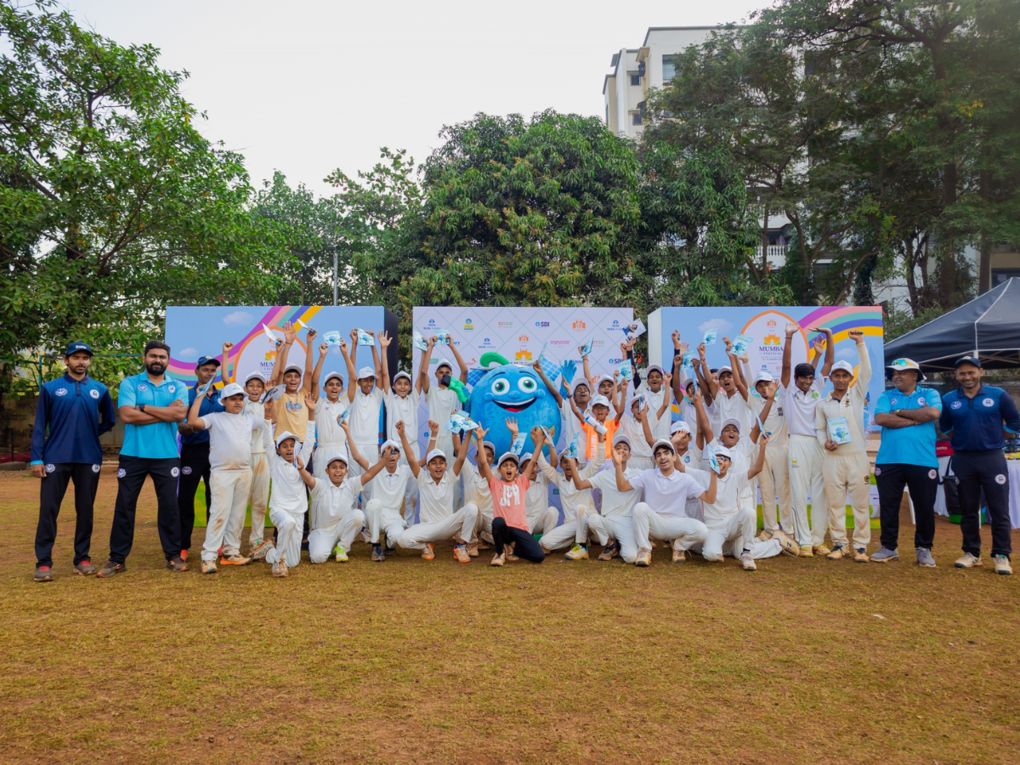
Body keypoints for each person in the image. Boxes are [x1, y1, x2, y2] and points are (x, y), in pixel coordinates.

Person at [98, 340, 189, 577]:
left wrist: (145, 408)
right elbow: (128, 416)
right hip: (133, 455)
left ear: (168, 361)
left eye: (162, 357)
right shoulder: (130, 382)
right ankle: (117, 559)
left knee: (169, 507)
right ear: (144, 358)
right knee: (125, 507)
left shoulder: (178, 386)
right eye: (153, 356)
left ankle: (173, 556)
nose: (157, 360)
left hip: (167, 455)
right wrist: (165, 412)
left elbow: (180, 414)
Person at [30, 342, 116, 582]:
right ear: (66, 360)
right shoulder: (50, 388)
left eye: (85, 358)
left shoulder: (100, 389)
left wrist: (87, 433)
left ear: (89, 361)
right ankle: (44, 562)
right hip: (55, 457)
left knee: (85, 510)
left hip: (89, 458)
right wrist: (37, 457)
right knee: (49, 510)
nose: (81, 362)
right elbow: (39, 426)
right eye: (76, 357)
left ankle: (82, 559)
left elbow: (109, 420)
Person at [939, 356, 1020, 575]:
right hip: (963, 459)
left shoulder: (998, 395)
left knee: (999, 508)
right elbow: (945, 425)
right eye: (962, 373)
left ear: (980, 372)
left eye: (971, 372)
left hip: (992, 458)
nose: (967, 377)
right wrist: (963, 440)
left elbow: (1014, 421)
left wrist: (997, 437)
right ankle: (972, 553)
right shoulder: (948, 399)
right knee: (968, 509)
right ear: (957, 376)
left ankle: (1001, 555)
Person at [183, 382, 265, 573]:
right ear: (224, 401)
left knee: (238, 515)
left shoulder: (248, 419)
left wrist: (269, 398)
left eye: (240, 399)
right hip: (222, 473)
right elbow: (192, 422)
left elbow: (271, 418)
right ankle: (208, 557)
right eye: (233, 399)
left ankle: (231, 553)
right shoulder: (215, 418)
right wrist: (200, 397)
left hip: (244, 472)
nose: (238, 402)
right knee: (219, 514)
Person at [871, 358, 943, 567]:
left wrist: (900, 412)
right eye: (893, 372)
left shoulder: (929, 393)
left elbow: (933, 413)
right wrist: (915, 420)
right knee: (889, 506)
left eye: (901, 372)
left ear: (915, 376)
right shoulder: (886, 395)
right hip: (889, 460)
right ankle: (889, 547)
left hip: (922, 460)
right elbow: (882, 419)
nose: (895, 376)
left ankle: (923, 549)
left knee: (924, 507)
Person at [814, 330, 872, 561]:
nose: (840, 379)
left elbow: (866, 372)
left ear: (850, 379)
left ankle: (860, 546)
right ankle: (839, 544)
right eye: (836, 375)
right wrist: (824, 443)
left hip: (857, 457)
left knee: (860, 505)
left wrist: (860, 344)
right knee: (835, 505)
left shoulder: (857, 395)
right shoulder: (823, 403)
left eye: (844, 375)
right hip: (833, 460)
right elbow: (819, 429)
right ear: (831, 378)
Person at [782, 323, 835, 556]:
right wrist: (788, 337)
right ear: (795, 378)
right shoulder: (786, 390)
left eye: (809, 379)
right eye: (802, 379)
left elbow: (829, 364)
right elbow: (785, 365)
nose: (806, 382)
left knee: (820, 492)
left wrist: (829, 336)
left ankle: (817, 540)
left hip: (818, 443)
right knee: (799, 492)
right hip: (797, 443)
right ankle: (804, 541)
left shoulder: (817, 386)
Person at [681, 436, 771, 571]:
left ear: (730, 463)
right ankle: (736, 547)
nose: (719, 462)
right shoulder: (701, 475)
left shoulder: (736, 478)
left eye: (724, 459)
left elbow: (757, 468)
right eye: (716, 459)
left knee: (748, 512)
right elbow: (678, 466)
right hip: (713, 527)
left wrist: (763, 445)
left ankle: (756, 550)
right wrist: (674, 442)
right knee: (710, 554)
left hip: (733, 524)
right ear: (710, 462)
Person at [620, 439, 714, 567]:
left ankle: (678, 547)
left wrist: (714, 474)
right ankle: (644, 550)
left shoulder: (685, 478)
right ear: (655, 460)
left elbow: (709, 499)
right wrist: (616, 465)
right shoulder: (647, 475)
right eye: (658, 455)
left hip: (676, 524)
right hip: (654, 524)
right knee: (640, 507)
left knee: (703, 530)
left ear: (674, 457)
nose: (662, 457)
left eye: (666, 453)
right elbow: (623, 487)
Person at [300, 425, 386, 564]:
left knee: (358, 515)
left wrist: (385, 461)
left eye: (341, 467)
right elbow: (309, 479)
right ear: (327, 471)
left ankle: (342, 548)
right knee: (317, 558)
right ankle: (326, 547)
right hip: (322, 532)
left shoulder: (351, 484)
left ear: (346, 471)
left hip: (341, 529)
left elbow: (370, 473)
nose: (337, 471)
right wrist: (301, 469)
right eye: (333, 467)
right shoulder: (321, 485)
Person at [394, 420, 477, 562]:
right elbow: (411, 459)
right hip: (427, 528)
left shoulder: (450, 477)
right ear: (427, 466)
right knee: (401, 539)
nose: (438, 466)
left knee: (472, 508)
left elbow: (461, 457)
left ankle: (461, 546)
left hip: (448, 525)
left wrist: (469, 432)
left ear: (446, 465)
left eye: (441, 463)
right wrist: (402, 436)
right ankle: (426, 545)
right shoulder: (422, 478)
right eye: (433, 463)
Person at [176, 348, 227, 559]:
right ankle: (183, 546)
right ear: (196, 371)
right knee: (186, 499)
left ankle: (215, 546)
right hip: (193, 451)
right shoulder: (186, 394)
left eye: (212, 370)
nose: (209, 373)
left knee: (214, 500)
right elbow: (181, 426)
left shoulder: (223, 396)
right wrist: (198, 427)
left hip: (217, 452)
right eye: (205, 370)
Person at [474, 425, 546, 566]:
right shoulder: (495, 483)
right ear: (499, 470)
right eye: (505, 465)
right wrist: (480, 440)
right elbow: (483, 462)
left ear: (516, 470)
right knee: (497, 521)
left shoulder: (521, 482)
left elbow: (532, 461)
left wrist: (539, 443)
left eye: (512, 465)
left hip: (520, 529)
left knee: (539, 556)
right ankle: (500, 553)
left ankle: (512, 547)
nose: (508, 468)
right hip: (504, 529)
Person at [364, 428, 440, 562]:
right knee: (373, 504)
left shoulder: (405, 471)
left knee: (399, 538)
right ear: (382, 457)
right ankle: (376, 545)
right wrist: (347, 431)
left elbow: (426, 459)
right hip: (376, 515)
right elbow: (357, 457)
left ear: (399, 456)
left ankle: (389, 540)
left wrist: (433, 435)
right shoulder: (375, 469)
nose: (391, 455)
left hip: (394, 517)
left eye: (394, 452)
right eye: (387, 453)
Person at [261, 401, 316, 578]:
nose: (289, 449)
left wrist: (312, 412)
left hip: (298, 513)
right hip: (280, 511)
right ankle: (278, 563)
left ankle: (270, 551)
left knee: (294, 561)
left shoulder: (301, 461)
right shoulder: (275, 462)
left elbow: (309, 442)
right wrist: (267, 415)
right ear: (278, 449)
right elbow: (267, 442)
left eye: (291, 445)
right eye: (284, 446)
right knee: (287, 523)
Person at [572, 434, 643, 563]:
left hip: (627, 523)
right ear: (612, 453)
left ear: (630, 455)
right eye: (618, 448)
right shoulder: (604, 475)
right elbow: (580, 485)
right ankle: (610, 545)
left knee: (631, 558)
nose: (621, 450)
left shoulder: (638, 474)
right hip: (608, 522)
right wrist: (572, 465)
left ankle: (622, 545)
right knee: (593, 519)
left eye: (625, 448)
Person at [534, 432, 606, 560]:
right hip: (572, 525)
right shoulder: (559, 479)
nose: (568, 464)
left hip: (588, 520)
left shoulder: (584, 474)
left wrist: (600, 438)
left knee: (580, 508)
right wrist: (537, 444)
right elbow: (544, 465)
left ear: (577, 464)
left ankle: (581, 546)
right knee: (544, 543)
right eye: (564, 461)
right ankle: (576, 541)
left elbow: (600, 459)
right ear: (561, 465)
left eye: (571, 461)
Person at [742, 371, 792, 542]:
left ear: (773, 383)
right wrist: (737, 359)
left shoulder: (784, 400)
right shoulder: (754, 402)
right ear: (756, 388)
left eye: (767, 384)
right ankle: (771, 528)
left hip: (781, 447)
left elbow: (787, 369)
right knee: (766, 490)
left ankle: (787, 530)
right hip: (762, 448)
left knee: (784, 490)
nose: (764, 388)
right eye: (760, 385)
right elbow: (741, 382)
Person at [310, 338, 355, 525]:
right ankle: (315, 530)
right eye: (331, 384)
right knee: (320, 491)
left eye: (338, 384)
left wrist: (346, 353)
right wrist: (322, 356)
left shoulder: (346, 402)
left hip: (341, 450)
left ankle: (342, 530)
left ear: (342, 388)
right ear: (325, 388)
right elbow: (313, 380)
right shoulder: (318, 403)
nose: (334, 387)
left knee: (342, 490)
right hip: (322, 451)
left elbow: (354, 379)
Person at [381, 331, 421, 523]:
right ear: (394, 386)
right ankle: (392, 524)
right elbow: (384, 375)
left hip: (412, 447)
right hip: (394, 449)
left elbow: (421, 375)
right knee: (392, 491)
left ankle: (410, 526)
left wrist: (425, 350)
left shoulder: (414, 400)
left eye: (406, 383)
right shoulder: (390, 400)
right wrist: (383, 349)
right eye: (399, 383)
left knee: (412, 492)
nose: (403, 386)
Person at [419, 333, 469, 460]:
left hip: (454, 439)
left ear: (452, 374)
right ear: (436, 374)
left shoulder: (457, 390)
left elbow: (465, 371)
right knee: (433, 477)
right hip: (435, 439)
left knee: (454, 478)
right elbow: (423, 372)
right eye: (441, 372)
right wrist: (431, 346)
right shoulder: (431, 391)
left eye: (447, 372)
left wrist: (451, 346)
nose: (444, 375)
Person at [268, 322, 316, 448]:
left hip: (302, 444)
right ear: (283, 380)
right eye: (289, 376)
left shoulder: (304, 394)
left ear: (300, 380)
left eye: (296, 376)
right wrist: (288, 344)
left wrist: (309, 343)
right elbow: (280, 371)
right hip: (282, 444)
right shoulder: (279, 396)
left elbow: (309, 371)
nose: (293, 379)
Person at [346, 329, 384, 483]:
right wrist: (354, 343)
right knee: (353, 487)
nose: (369, 383)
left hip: (371, 446)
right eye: (365, 380)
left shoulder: (377, 397)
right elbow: (351, 371)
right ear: (359, 382)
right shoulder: (353, 396)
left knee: (370, 489)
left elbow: (380, 371)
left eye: (371, 380)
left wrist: (372, 344)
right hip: (353, 446)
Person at [241, 371, 272, 559]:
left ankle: (257, 540)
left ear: (263, 389)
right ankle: (232, 543)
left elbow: (272, 419)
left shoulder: (265, 404)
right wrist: (226, 355)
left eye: (259, 386)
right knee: (239, 502)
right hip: (242, 457)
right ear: (245, 389)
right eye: (251, 385)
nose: (255, 389)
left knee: (260, 503)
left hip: (262, 456)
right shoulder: (239, 404)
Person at [532, 359, 588, 460]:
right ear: (573, 397)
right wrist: (541, 374)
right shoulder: (569, 410)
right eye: (579, 390)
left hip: (590, 460)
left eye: (585, 390)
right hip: (573, 460)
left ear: (590, 396)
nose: (582, 392)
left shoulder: (595, 412)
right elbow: (555, 394)